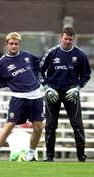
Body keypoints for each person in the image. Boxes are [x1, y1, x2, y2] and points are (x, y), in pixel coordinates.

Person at [0, 32, 44, 161]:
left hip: (36, 96)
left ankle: (30, 154)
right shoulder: (1, 63)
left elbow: (40, 66)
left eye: (16, 44)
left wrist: (41, 81)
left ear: (19, 44)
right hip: (18, 97)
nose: (14, 46)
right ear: (7, 44)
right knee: (10, 124)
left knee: (39, 127)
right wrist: (7, 83)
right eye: (11, 44)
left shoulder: (27, 56)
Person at [39, 27, 91, 162]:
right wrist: (46, 88)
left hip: (71, 94)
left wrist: (78, 88)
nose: (67, 41)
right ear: (60, 38)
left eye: (70, 39)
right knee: (50, 125)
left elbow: (86, 75)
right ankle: (49, 156)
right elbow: (39, 71)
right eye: (65, 38)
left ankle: (81, 156)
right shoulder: (51, 53)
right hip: (53, 93)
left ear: (73, 39)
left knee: (77, 124)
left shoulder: (80, 55)